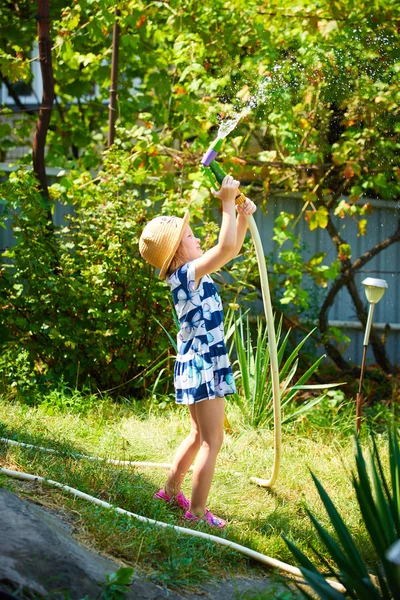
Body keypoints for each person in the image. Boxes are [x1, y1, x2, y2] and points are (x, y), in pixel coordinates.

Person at [139, 175, 256, 528]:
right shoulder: (188, 274)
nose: (197, 239)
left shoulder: (188, 276)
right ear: (177, 252)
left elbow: (230, 250)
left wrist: (243, 217)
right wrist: (225, 202)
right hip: (206, 364)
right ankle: (197, 513)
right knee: (212, 441)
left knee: (198, 435)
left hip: (197, 364)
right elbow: (222, 251)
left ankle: (172, 490)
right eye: (190, 237)